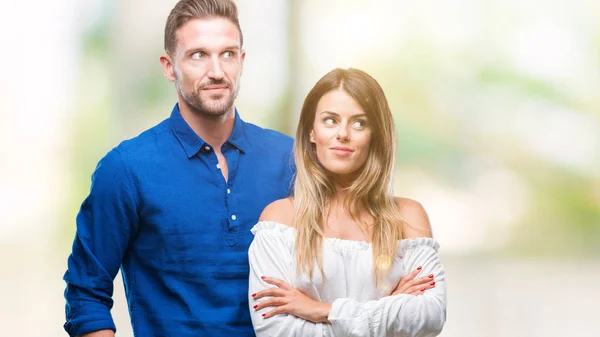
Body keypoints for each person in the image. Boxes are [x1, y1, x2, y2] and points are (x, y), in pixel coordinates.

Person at [62, 0, 294, 336]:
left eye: (228, 54)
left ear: (242, 61)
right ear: (169, 67)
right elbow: (86, 294)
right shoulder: (126, 169)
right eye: (198, 55)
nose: (217, 71)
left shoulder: (289, 158)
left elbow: (339, 259)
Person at [247, 68, 447, 337]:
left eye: (358, 123)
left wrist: (322, 310)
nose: (343, 133)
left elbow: (430, 316)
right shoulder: (279, 219)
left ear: (375, 136)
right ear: (311, 132)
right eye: (330, 120)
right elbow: (274, 330)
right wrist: (386, 310)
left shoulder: (408, 217)